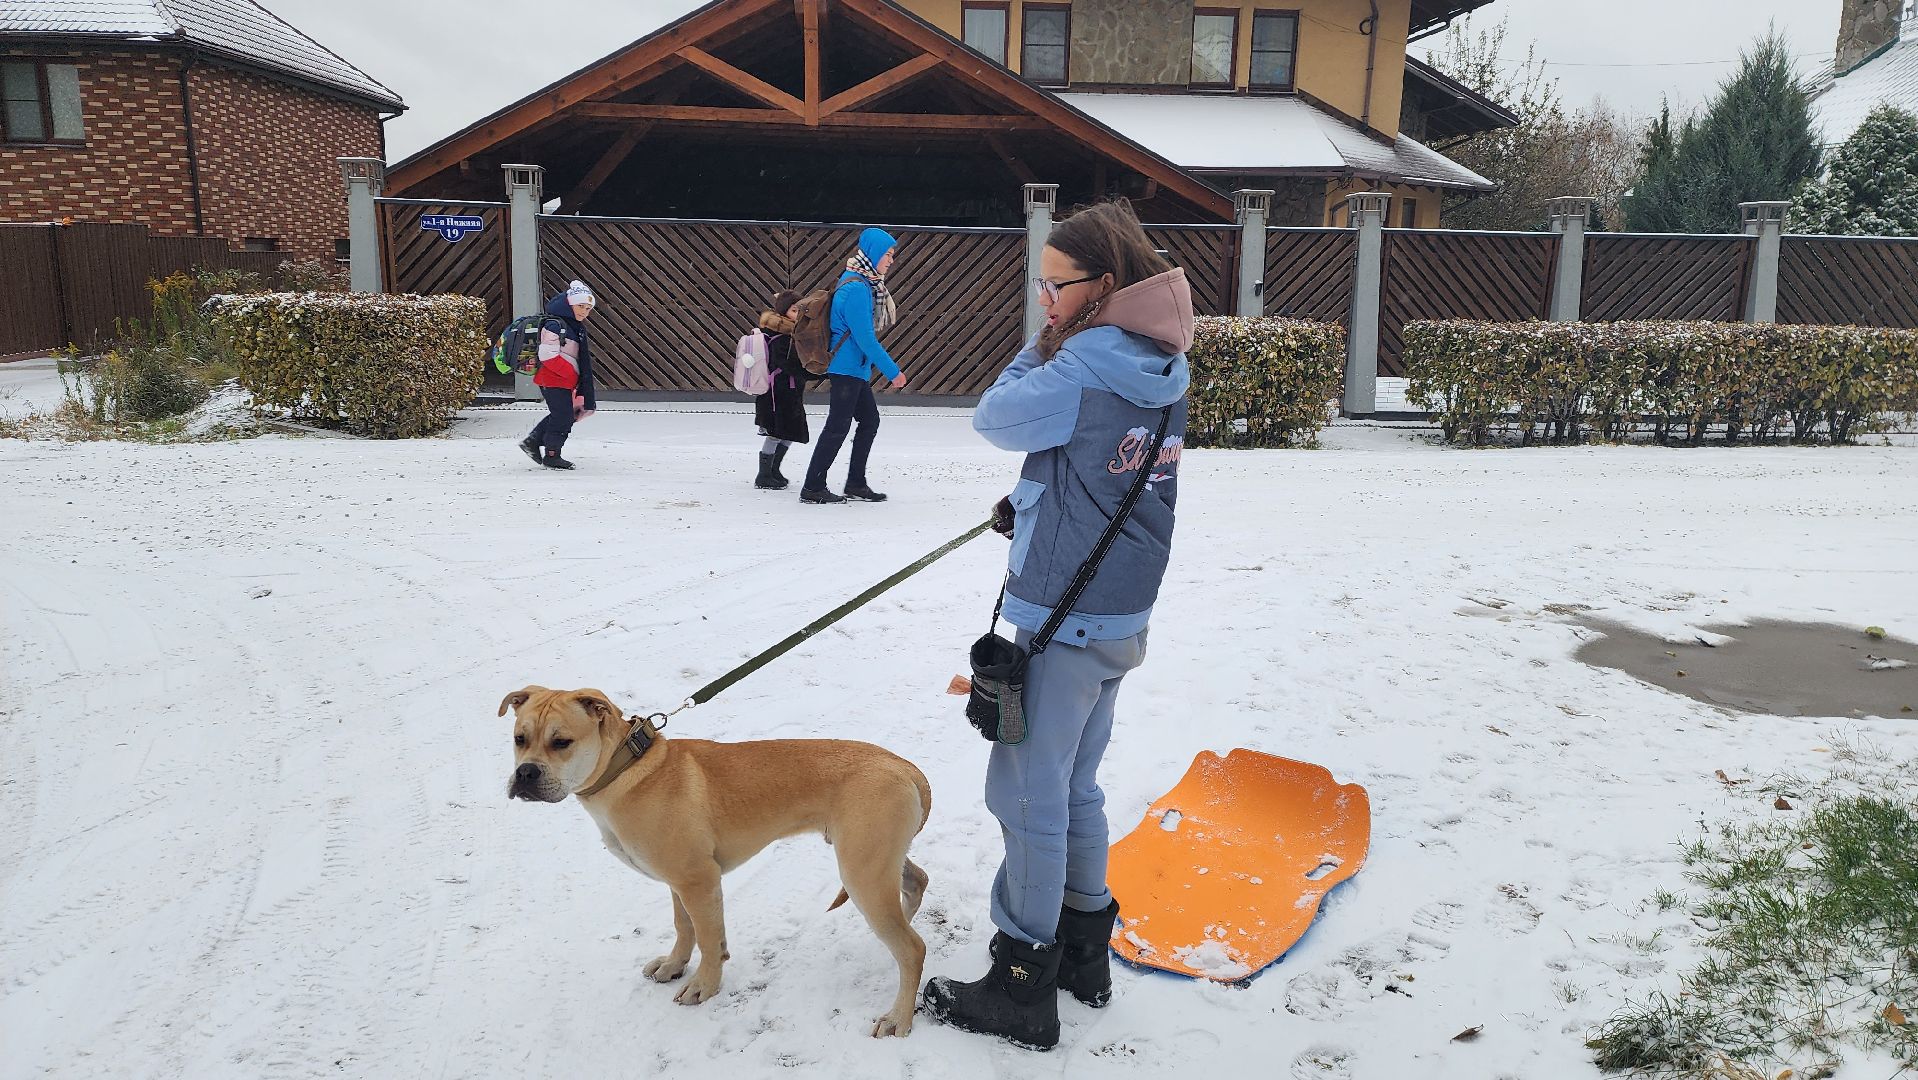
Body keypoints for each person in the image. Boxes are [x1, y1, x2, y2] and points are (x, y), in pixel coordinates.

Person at [919, 200, 1192, 1051]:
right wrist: (1037, 498)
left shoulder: (1080, 365)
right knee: (1075, 789)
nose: (1043, 299)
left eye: (1054, 285)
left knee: (1026, 794)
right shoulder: (1160, 358)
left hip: (1062, 617)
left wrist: (1043, 343)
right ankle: (1083, 950)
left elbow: (995, 415)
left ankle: (1021, 982)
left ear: (1102, 286)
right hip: (1118, 614)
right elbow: (1100, 470)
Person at [799, 228, 908, 505]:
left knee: (869, 421)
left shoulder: (860, 282)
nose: (891, 260)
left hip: (853, 369)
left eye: (892, 255)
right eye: (887, 254)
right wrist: (893, 372)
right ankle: (813, 487)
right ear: (873, 253)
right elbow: (865, 338)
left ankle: (856, 483)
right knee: (837, 427)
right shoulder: (858, 289)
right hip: (846, 369)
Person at [518, 280, 598, 471]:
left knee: (564, 415)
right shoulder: (555, 325)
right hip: (553, 378)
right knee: (563, 416)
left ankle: (533, 441)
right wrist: (572, 375)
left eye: (588, 308)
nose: (584, 311)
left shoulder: (572, 326)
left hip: (560, 379)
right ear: (569, 304)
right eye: (581, 306)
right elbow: (547, 356)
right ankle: (552, 455)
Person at [751, 289, 824, 490]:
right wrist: (819, 374)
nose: (798, 314)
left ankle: (774, 469)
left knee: (790, 432)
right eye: (793, 310)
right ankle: (764, 475)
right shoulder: (780, 336)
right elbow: (790, 366)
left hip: (789, 392)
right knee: (776, 432)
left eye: (800, 310)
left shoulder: (792, 334)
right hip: (777, 393)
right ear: (784, 311)